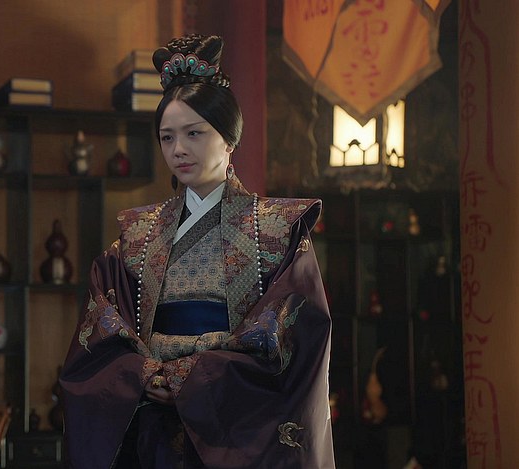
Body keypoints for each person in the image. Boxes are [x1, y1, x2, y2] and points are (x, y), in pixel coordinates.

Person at [60, 35, 335, 468]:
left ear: (229, 139)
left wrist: (189, 376)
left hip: (233, 423)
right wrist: (142, 374)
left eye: (194, 133)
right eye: (167, 137)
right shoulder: (137, 235)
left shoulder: (278, 229)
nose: (179, 149)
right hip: (154, 424)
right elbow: (102, 323)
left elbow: (293, 335)